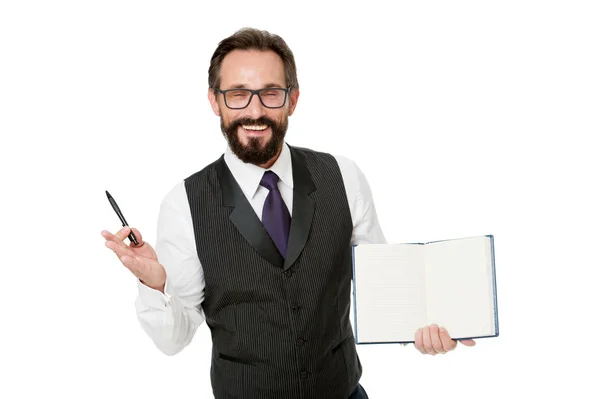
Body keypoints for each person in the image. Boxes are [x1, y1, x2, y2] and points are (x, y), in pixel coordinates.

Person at [101, 27, 476, 398]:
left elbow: (385, 287)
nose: (255, 110)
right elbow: (174, 338)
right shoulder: (184, 204)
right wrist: (152, 285)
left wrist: (429, 325)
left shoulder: (343, 177)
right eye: (237, 95)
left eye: (270, 93)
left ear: (292, 100)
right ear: (215, 102)